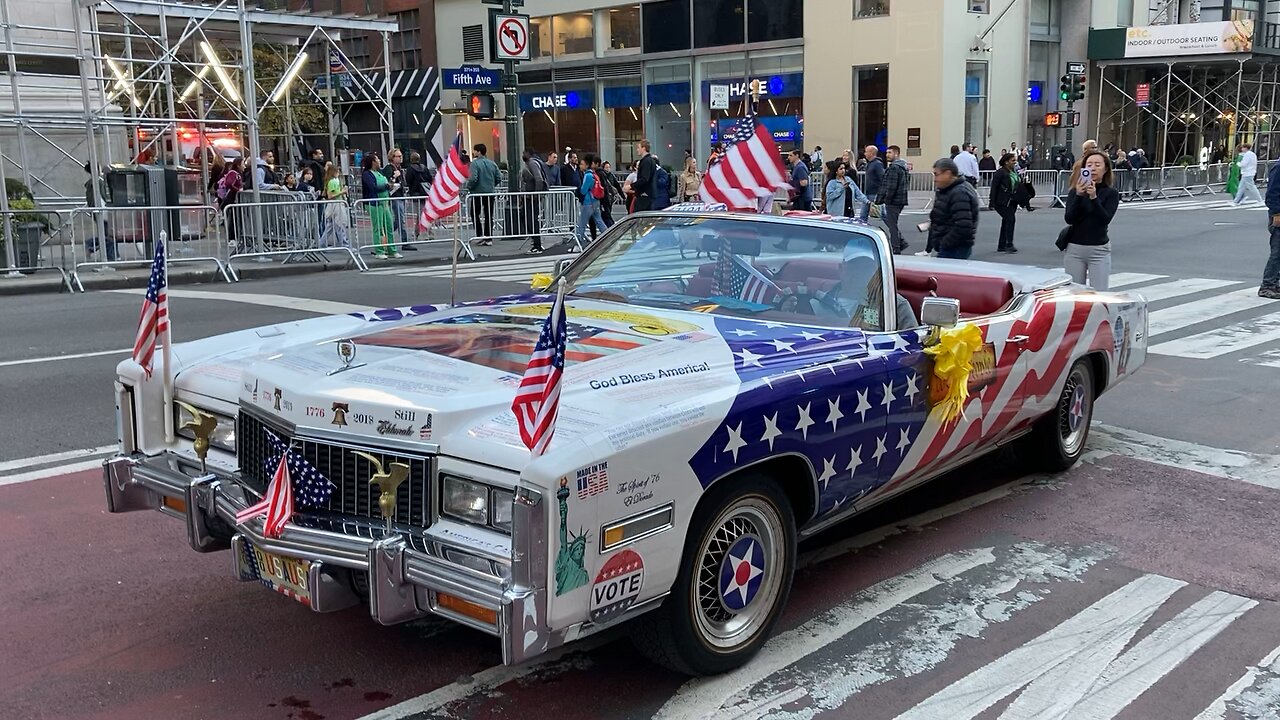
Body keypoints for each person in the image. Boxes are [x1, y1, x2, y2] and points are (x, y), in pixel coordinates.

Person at [1061, 150, 1120, 290]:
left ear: (1105, 169)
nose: (1092, 168)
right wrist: (1079, 196)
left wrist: (1094, 198)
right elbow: (1069, 218)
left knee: (1100, 293)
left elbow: (1104, 220)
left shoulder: (1110, 193)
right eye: (1089, 165)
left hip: (1098, 249)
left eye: (1097, 165)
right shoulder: (1075, 191)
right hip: (1075, 248)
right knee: (1074, 292)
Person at [927, 157, 980, 260]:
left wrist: (944, 243)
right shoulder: (949, 190)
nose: (935, 179)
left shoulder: (959, 192)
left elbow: (963, 225)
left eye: (937, 174)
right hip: (951, 245)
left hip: (954, 247)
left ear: (947, 173)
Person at [362, 154, 400, 259]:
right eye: (377, 159)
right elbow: (372, 187)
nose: (379, 161)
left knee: (389, 226)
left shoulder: (379, 173)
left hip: (384, 202)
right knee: (378, 227)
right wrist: (386, 186)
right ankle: (379, 250)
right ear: (373, 162)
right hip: (374, 203)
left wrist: (391, 183)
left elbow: (386, 183)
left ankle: (391, 249)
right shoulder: (367, 174)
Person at [876, 145, 910, 254]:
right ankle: (901, 243)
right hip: (900, 199)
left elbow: (891, 186)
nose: (887, 155)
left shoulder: (894, 168)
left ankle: (896, 247)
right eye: (887, 153)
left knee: (892, 225)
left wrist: (885, 199)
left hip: (894, 201)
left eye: (890, 153)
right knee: (892, 223)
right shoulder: (903, 167)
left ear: (896, 154)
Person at [464, 143, 500, 245]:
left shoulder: (475, 164)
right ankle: (488, 238)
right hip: (490, 193)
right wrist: (492, 185)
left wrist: (469, 187)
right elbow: (499, 177)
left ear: (478, 152)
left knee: (475, 214)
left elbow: (473, 178)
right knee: (489, 215)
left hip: (477, 193)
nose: (474, 152)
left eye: (475, 150)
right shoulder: (492, 163)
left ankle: (480, 235)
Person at [83, 161, 117, 262]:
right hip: (103, 212)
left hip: (98, 212)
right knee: (109, 236)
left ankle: (112, 256)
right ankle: (91, 245)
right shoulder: (98, 182)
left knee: (108, 235)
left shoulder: (92, 183)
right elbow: (104, 197)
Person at [990, 152, 1022, 253]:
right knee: (1010, 220)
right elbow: (994, 188)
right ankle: (1009, 244)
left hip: (1012, 201)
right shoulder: (1000, 173)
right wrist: (992, 202)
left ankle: (1002, 245)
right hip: (1002, 201)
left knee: (1006, 221)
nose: (1015, 162)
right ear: (1006, 162)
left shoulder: (1013, 172)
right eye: (1013, 160)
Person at [519, 148, 550, 254]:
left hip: (531, 197)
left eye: (524, 153)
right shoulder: (535, 162)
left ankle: (536, 244)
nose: (523, 155)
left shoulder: (532, 163)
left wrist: (536, 194)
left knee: (531, 220)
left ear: (529, 154)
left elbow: (539, 178)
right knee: (529, 218)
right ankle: (536, 242)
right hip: (530, 196)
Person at [575, 154, 609, 247]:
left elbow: (583, 190)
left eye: (582, 164)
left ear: (586, 165)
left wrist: (578, 190)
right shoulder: (594, 174)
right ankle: (609, 238)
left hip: (587, 203)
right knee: (599, 221)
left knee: (581, 224)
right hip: (595, 201)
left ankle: (578, 244)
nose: (580, 166)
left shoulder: (588, 175)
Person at [382, 148, 412, 250]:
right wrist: (394, 177)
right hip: (394, 196)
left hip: (399, 195)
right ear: (392, 157)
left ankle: (386, 235)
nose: (400, 158)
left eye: (401, 156)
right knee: (400, 219)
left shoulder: (398, 168)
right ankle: (404, 241)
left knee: (398, 220)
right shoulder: (389, 168)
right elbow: (387, 183)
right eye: (398, 156)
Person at [1260, 158, 1280, 299]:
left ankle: (1274, 283)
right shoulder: (1278, 167)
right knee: (1277, 252)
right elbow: (1272, 193)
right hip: (1278, 215)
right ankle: (1267, 285)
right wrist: (1276, 213)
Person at [320, 163, 350, 248]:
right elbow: (330, 196)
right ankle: (344, 244)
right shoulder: (333, 181)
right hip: (336, 204)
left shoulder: (331, 181)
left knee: (331, 226)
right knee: (339, 225)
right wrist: (342, 192)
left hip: (334, 204)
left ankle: (321, 243)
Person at [218, 157, 244, 249]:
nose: (244, 166)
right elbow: (229, 183)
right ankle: (231, 238)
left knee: (234, 218)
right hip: (231, 198)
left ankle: (234, 237)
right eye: (243, 163)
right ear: (238, 164)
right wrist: (238, 190)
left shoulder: (236, 173)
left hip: (233, 198)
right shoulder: (233, 173)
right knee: (233, 219)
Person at [861, 145, 885, 218]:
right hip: (867, 193)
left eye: (866, 152)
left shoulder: (877, 164)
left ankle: (892, 226)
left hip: (874, 193)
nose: (865, 154)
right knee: (863, 214)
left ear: (871, 153)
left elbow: (882, 177)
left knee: (881, 213)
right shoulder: (870, 163)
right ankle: (862, 227)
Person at [634, 140, 657, 212]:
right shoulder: (651, 160)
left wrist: (631, 186)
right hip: (648, 195)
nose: (637, 150)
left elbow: (644, 178)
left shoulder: (646, 161)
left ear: (643, 148)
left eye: (638, 147)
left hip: (644, 196)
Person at [600, 160, 624, 226]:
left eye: (609, 167)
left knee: (607, 213)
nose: (608, 169)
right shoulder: (602, 175)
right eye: (606, 167)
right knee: (606, 214)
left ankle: (610, 226)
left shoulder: (611, 176)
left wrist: (622, 195)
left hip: (610, 197)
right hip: (604, 197)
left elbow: (617, 186)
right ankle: (611, 225)